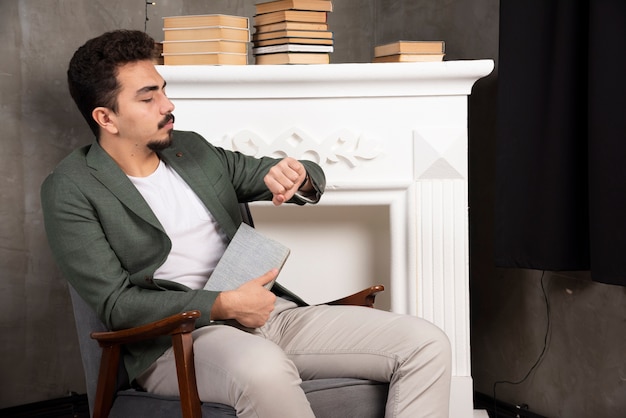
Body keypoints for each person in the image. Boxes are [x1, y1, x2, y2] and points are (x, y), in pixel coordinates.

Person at [41, 29, 451, 417]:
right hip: (178, 342)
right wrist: (222, 304)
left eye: (163, 90)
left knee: (425, 343)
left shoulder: (192, 150)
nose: (168, 105)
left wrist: (296, 175)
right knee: (263, 368)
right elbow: (117, 306)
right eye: (148, 98)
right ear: (106, 118)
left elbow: (298, 174)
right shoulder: (71, 188)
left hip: (271, 316)